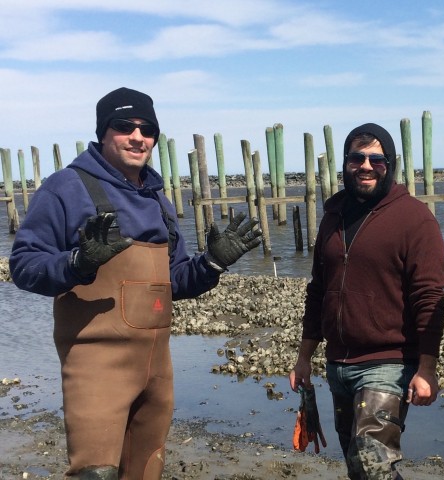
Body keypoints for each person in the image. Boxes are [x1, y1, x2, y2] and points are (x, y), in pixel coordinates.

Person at [9, 87, 261, 479]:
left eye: (148, 129)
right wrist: (77, 262)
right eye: (124, 126)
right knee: (95, 474)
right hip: (95, 367)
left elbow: (172, 281)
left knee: (146, 472)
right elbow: (23, 265)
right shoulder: (66, 188)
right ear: (103, 132)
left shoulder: (158, 198)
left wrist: (211, 263)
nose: (138, 137)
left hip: (157, 371)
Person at [288, 123, 444, 479]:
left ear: (390, 165)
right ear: (344, 163)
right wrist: (303, 358)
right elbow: (318, 290)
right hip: (338, 364)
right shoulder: (332, 217)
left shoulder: (415, 219)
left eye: (376, 159)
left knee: (371, 461)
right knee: (357, 467)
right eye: (356, 158)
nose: (365, 166)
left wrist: (427, 369)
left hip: (387, 363)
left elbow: (430, 298)